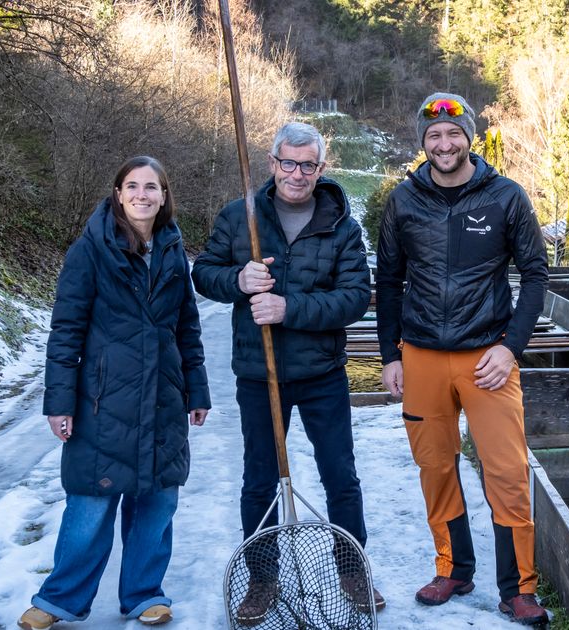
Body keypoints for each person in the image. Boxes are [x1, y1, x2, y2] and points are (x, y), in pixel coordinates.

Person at [191, 122, 382, 625]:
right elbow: (203, 273)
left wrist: (287, 307)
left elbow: (354, 298)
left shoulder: (341, 225)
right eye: (289, 163)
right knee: (258, 480)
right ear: (273, 163)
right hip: (260, 374)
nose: (297, 174)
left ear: (322, 168)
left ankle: (352, 570)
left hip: (321, 373)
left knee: (340, 475)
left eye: (308, 165)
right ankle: (262, 578)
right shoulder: (241, 216)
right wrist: (238, 279)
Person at [375, 93, 550, 626]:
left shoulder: (506, 196)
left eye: (454, 134)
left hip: (487, 357)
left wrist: (510, 347)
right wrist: (389, 355)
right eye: (434, 135)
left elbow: (535, 275)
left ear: (469, 138)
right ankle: (453, 568)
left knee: (506, 471)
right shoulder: (403, 201)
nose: (444, 143)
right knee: (435, 466)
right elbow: (388, 282)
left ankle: (518, 589)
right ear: (423, 142)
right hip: (422, 354)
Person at [18, 156, 211, 630]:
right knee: (90, 503)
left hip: (163, 398)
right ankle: (58, 600)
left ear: (164, 196)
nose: (142, 194)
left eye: (152, 187)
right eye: (133, 186)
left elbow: (186, 326)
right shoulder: (89, 251)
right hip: (102, 401)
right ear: (118, 194)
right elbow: (66, 330)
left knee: (157, 503)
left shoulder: (173, 250)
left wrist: (197, 389)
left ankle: (144, 595)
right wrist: (59, 402)